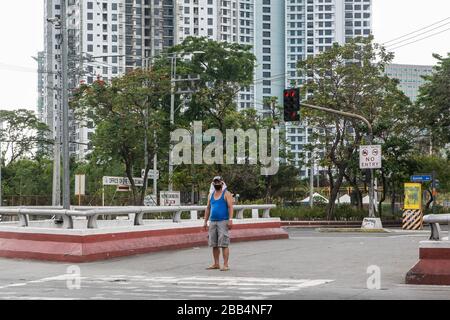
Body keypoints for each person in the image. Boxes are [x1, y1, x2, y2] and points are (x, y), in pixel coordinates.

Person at [203, 176, 234, 272]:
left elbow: (230, 207)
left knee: (224, 243)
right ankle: (216, 264)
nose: (216, 183)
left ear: (222, 183)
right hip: (213, 222)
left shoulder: (226, 194)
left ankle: (225, 264)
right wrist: (205, 221)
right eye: (215, 182)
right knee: (214, 244)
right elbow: (208, 208)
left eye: (218, 182)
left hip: (223, 221)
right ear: (213, 184)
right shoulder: (211, 195)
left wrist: (230, 219)